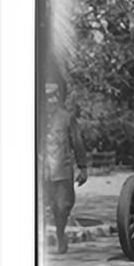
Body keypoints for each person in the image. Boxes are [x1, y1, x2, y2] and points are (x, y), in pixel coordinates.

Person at [44, 82, 88, 253]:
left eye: (54, 97)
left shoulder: (66, 117)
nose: (51, 101)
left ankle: (61, 235)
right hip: (42, 171)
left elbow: (77, 142)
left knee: (61, 207)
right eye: (48, 97)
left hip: (61, 170)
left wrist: (83, 168)